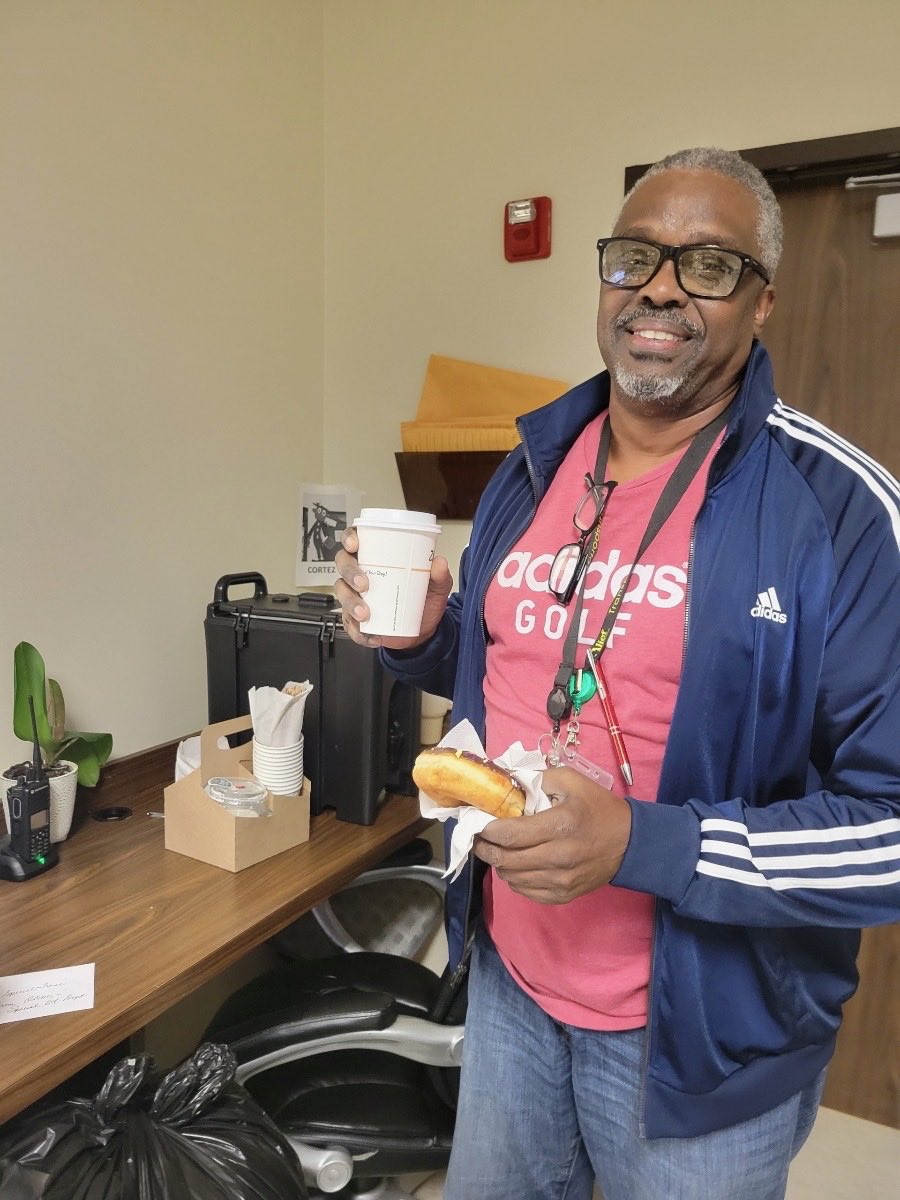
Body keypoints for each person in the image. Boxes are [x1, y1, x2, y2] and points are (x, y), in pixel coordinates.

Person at [335, 147, 900, 1200]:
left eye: (708, 265)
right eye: (634, 255)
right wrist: (418, 635)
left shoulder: (841, 511)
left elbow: (890, 829)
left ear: (764, 300)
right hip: (510, 982)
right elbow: (510, 667)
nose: (660, 285)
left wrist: (648, 842)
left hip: (703, 1046)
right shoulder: (535, 462)